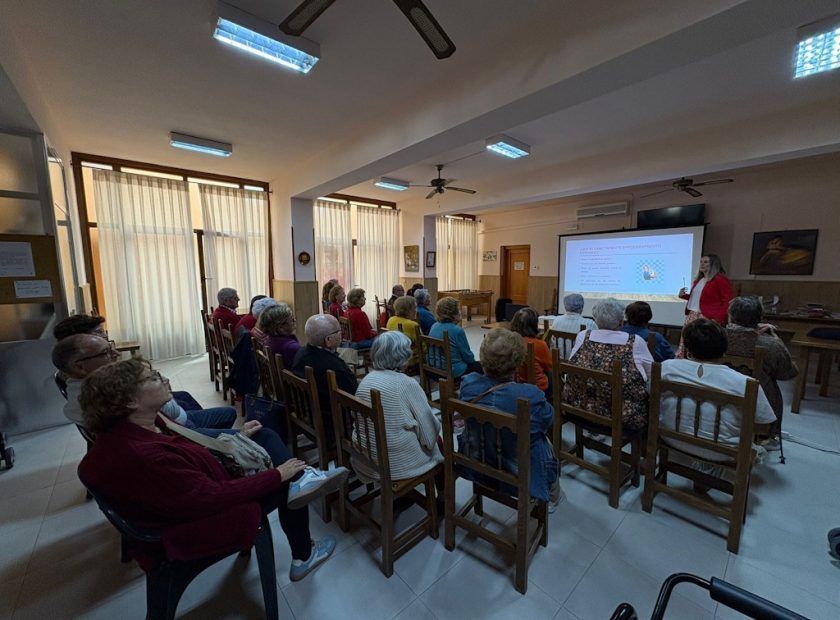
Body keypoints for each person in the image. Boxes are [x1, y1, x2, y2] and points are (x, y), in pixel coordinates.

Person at [77, 358, 348, 581]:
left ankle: (302, 480)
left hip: (203, 477)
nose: (164, 379)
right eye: (153, 378)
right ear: (129, 401)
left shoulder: (147, 421)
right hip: (204, 515)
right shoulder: (143, 454)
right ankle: (304, 553)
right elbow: (210, 497)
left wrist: (236, 436)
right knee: (290, 487)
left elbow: (189, 446)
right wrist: (278, 475)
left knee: (263, 435)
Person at [52, 334, 237, 432]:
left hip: (172, 424)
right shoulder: (101, 397)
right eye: (106, 352)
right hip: (178, 430)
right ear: (80, 367)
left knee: (186, 397)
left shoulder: (92, 388)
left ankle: (205, 431)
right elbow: (159, 419)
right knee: (230, 415)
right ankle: (203, 433)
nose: (116, 355)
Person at [458, 329, 558, 502]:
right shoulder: (529, 395)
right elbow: (548, 420)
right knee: (544, 441)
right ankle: (552, 496)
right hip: (519, 473)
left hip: (476, 461)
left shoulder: (468, 384)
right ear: (518, 362)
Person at [660, 318, 775, 461]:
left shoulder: (666, 367)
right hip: (725, 451)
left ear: (688, 349)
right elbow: (763, 427)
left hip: (671, 437)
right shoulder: (745, 383)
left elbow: (651, 395)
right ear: (724, 349)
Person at [353, 331, 443, 483]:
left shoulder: (365, 380)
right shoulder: (406, 384)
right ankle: (442, 500)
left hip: (367, 458)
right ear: (403, 357)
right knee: (439, 444)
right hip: (395, 465)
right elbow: (429, 436)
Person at [565, 298, 653, 431]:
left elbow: (570, 369)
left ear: (595, 319)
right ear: (621, 321)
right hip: (622, 416)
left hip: (579, 408)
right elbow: (652, 376)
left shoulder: (583, 336)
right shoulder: (635, 341)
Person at [725, 296, 798, 444]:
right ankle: (767, 436)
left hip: (722, 394)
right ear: (759, 318)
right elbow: (788, 373)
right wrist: (775, 339)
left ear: (730, 316)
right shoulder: (770, 345)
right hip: (758, 403)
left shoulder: (718, 337)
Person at [292, 314, 358, 444]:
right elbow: (355, 395)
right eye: (339, 331)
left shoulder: (301, 353)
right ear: (328, 340)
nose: (342, 334)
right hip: (332, 424)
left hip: (308, 416)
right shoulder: (334, 367)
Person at [677, 253, 733, 357]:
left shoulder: (720, 280)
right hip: (692, 315)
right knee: (688, 341)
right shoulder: (699, 280)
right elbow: (699, 299)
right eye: (701, 262)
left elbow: (727, 301)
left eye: (706, 262)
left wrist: (717, 319)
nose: (702, 264)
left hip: (707, 317)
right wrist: (684, 296)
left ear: (713, 264)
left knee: (702, 344)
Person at [429, 296, 482, 378]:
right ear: (452, 313)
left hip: (434, 369)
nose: (460, 312)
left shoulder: (434, 325)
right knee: (484, 366)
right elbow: (468, 357)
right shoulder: (457, 330)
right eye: (458, 309)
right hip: (453, 372)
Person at [509, 308, 552, 396]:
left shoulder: (508, 340)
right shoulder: (540, 344)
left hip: (513, 387)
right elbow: (550, 367)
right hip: (538, 389)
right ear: (534, 325)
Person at [256, 302, 301, 369]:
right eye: (292, 320)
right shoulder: (291, 347)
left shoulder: (270, 339)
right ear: (280, 327)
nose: (295, 320)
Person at [386, 296, 420, 369]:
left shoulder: (391, 319)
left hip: (393, 354)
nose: (416, 311)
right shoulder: (412, 325)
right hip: (409, 358)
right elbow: (422, 346)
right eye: (414, 308)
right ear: (407, 310)